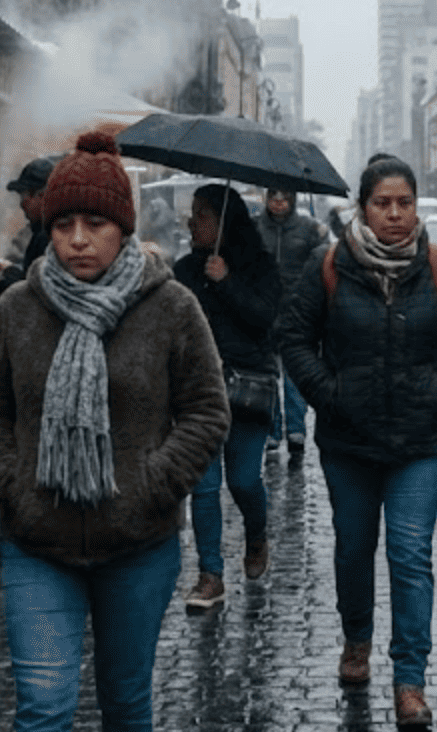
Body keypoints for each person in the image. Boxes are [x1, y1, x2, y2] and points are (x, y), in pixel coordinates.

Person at [0, 131, 229, 732]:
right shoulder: (19, 308)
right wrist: (15, 484)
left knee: (126, 704)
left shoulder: (172, 307)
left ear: (124, 228)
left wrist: (152, 482)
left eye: (95, 223)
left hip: (138, 543)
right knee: (44, 706)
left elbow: (207, 410)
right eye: (63, 225)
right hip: (38, 543)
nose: (77, 239)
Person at [275, 155, 437, 730]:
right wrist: (329, 393)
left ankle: (410, 679)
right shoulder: (331, 265)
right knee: (353, 548)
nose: (395, 214)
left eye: (404, 203)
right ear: (363, 208)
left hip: (421, 441)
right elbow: (293, 338)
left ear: (416, 206)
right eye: (382, 203)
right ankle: (356, 639)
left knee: (410, 555)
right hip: (349, 443)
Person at [175, 185, 281, 611]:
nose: (191, 221)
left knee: (243, 481)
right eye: (193, 212)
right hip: (199, 391)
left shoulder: (259, 267)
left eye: (201, 214)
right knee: (203, 486)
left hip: (248, 390)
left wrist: (228, 281)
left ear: (225, 222)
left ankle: (257, 536)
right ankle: (210, 575)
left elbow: (266, 323)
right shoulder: (184, 271)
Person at [258, 187, 328, 467]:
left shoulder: (309, 228)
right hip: (263, 311)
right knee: (268, 374)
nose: (278, 202)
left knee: (294, 376)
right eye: (273, 197)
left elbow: (323, 262)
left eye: (283, 197)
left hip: (297, 311)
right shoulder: (254, 228)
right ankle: (272, 431)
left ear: (292, 200)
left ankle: (296, 431)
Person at [0, 154, 58, 302]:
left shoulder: (47, 236)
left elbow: (39, 295)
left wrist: (7, 281)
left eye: (24, 197)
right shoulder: (41, 231)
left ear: (42, 196)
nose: (21, 205)